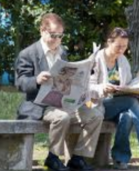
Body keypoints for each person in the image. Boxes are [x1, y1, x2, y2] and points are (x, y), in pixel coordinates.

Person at [14, 13, 103, 171]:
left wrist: (86, 71)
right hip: (40, 104)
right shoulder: (28, 54)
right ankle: (53, 158)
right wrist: (36, 79)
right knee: (62, 117)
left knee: (95, 115)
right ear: (43, 31)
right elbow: (20, 83)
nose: (56, 40)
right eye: (53, 35)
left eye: (60, 36)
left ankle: (77, 158)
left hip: (63, 102)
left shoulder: (62, 52)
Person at [89, 27, 139, 169]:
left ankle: (119, 158)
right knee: (130, 101)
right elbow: (87, 88)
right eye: (118, 46)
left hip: (117, 105)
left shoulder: (122, 61)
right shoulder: (96, 59)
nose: (121, 50)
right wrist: (102, 88)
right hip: (95, 105)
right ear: (109, 42)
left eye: (124, 46)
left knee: (127, 116)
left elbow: (127, 86)